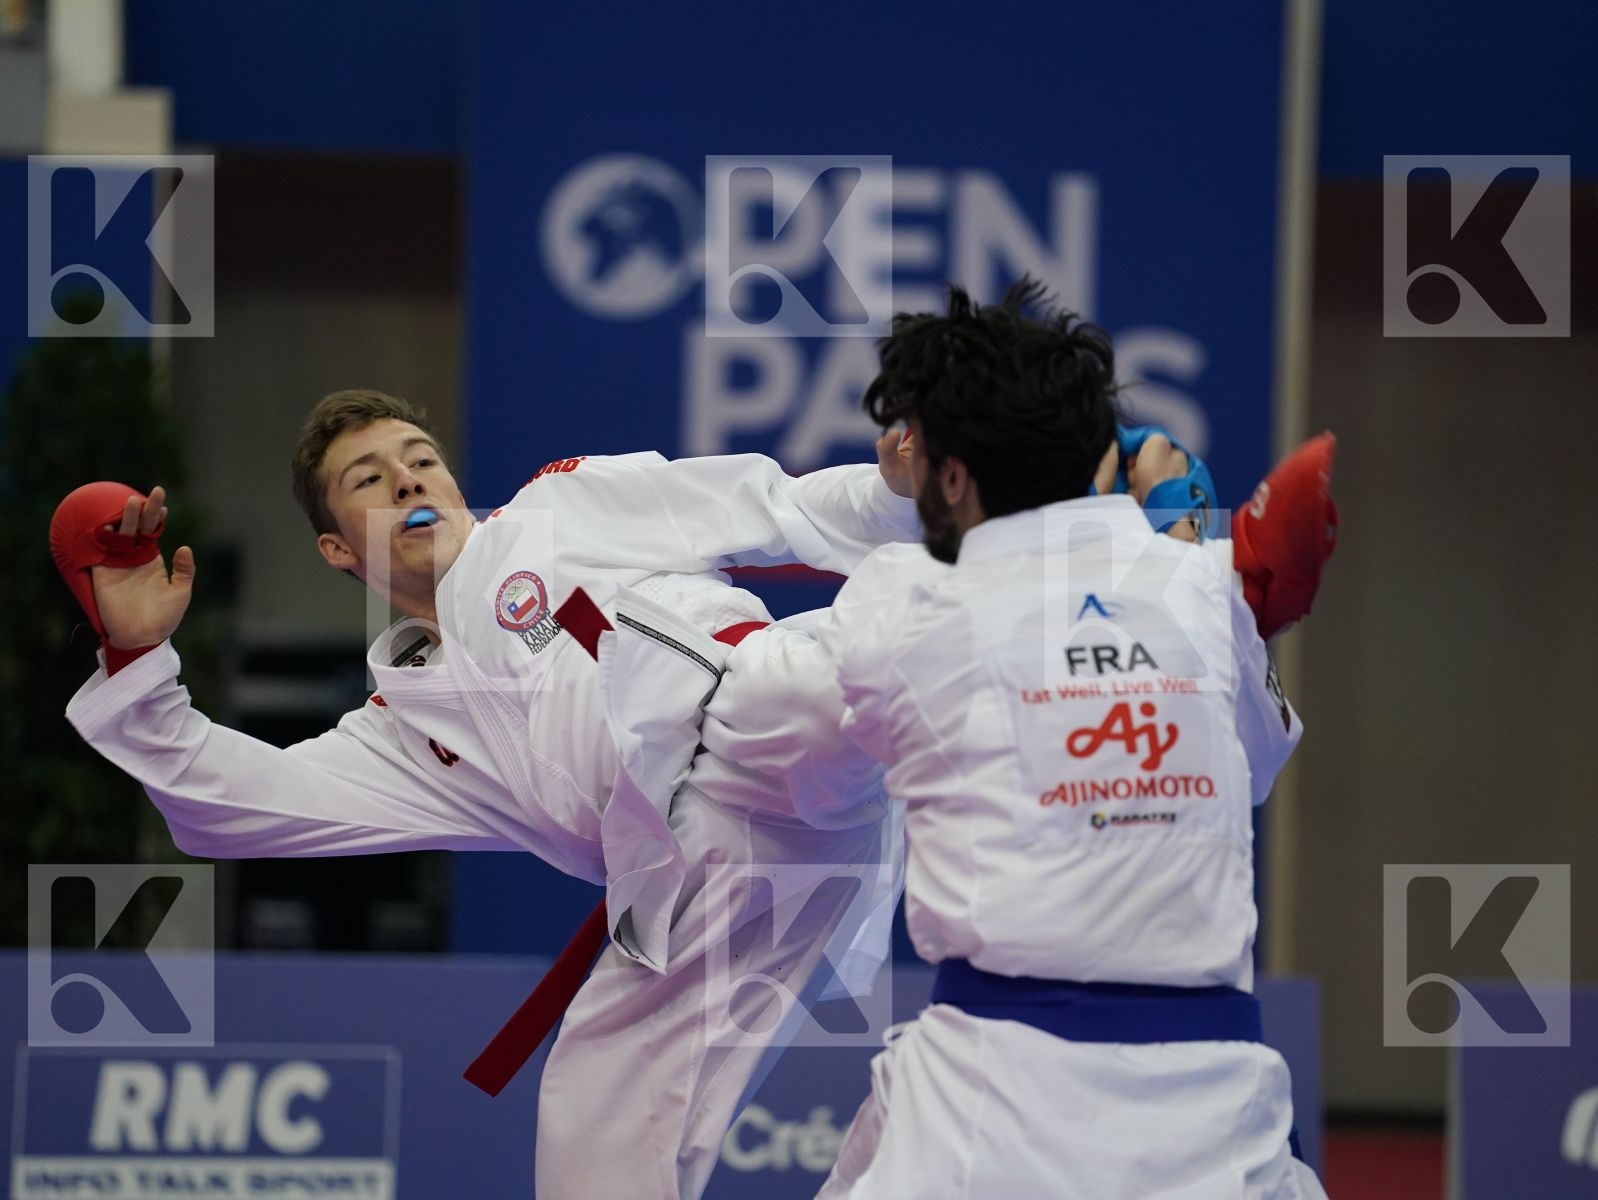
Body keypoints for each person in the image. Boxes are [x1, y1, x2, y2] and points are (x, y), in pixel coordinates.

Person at [53, 390, 925, 1199]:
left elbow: (783, 508)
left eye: (421, 459)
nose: (407, 478)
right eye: (369, 478)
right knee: (592, 1137)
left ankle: (1008, 595)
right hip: (691, 891)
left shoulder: (562, 509)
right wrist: (135, 661)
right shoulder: (408, 730)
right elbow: (228, 804)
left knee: (870, 659)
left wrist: (896, 495)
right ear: (336, 549)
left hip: (755, 719)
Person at [785, 281, 1333, 1198]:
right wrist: (1177, 540)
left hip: (993, 1107)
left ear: (951, 474)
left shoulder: (906, 601)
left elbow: (827, 757)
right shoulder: (1200, 587)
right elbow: (1253, 769)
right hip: (1218, 1105)